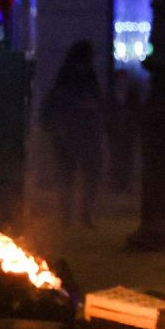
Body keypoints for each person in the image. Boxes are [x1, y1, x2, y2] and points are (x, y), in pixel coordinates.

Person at [39, 41, 107, 228]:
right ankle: (82, 215)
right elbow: (94, 101)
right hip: (81, 132)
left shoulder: (66, 75)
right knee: (87, 174)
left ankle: (67, 216)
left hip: (68, 134)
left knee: (67, 176)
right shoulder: (84, 76)